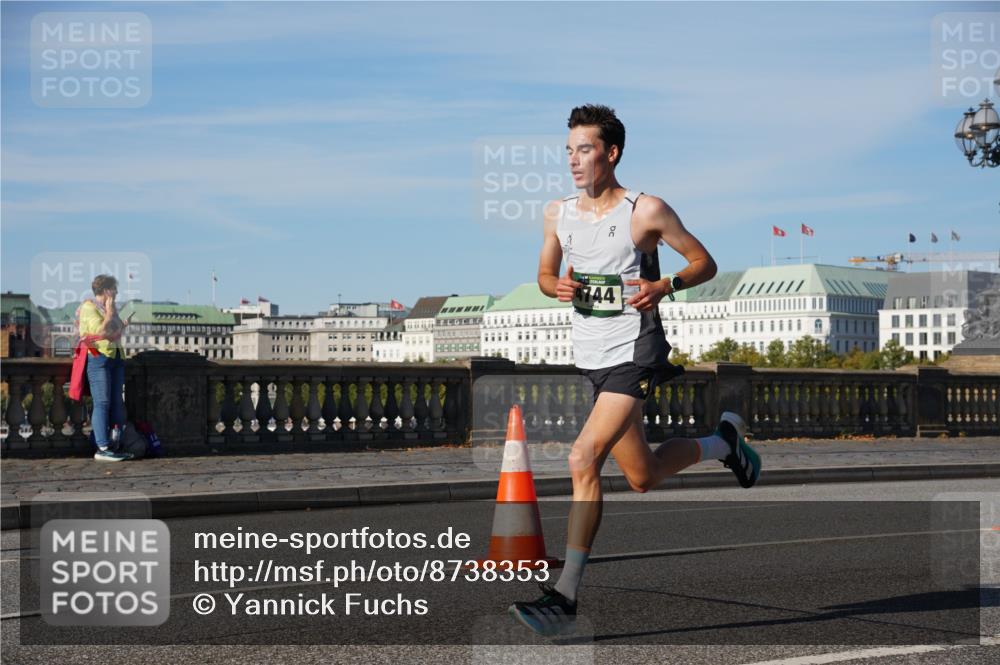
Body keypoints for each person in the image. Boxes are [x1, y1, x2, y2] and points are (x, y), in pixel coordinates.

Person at [508, 104, 762, 636]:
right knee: (642, 475)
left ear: (612, 152)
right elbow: (543, 271)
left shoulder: (645, 211)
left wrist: (663, 285)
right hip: (593, 356)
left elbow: (703, 262)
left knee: (583, 457)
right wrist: (553, 284)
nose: (574, 161)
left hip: (636, 352)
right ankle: (725, 444)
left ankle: (566, 597)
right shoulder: (558, 213)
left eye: (585, 149)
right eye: (570, 151)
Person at [77, 274, 135, 462]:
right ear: (105, 290)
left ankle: (114, 444)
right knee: (102, 402)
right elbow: (99, 333)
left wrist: (121, 322)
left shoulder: (110, 307)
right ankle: (102, 447)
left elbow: (114, 331)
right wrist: (110, 314)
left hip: (116, 357)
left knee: (117, 401)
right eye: (114, 289)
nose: (117, 292)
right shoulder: (89, 307)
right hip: (98, 357)